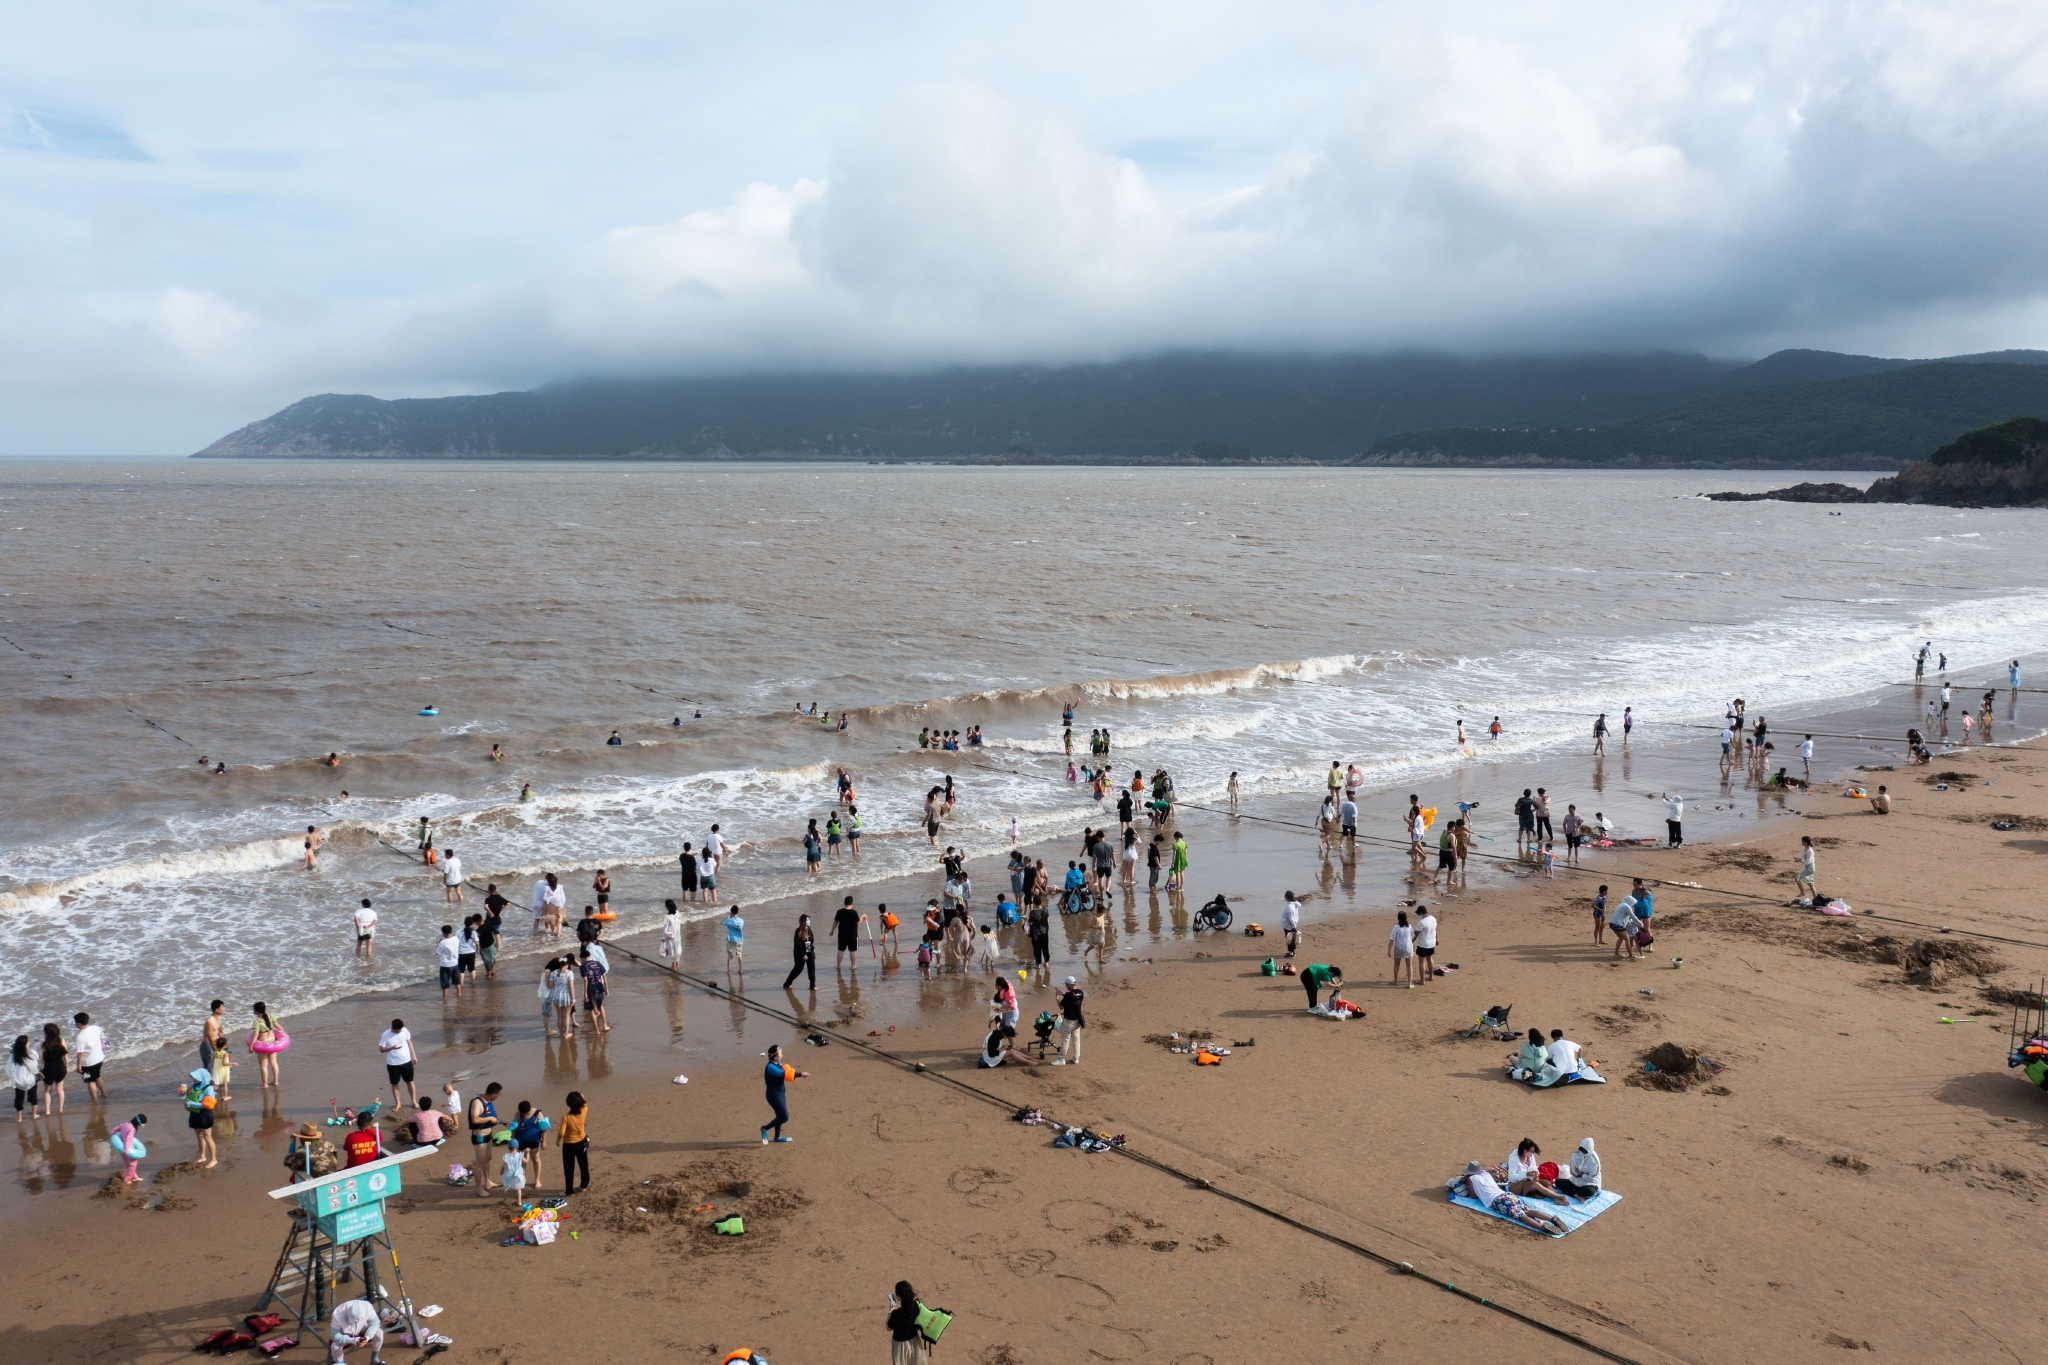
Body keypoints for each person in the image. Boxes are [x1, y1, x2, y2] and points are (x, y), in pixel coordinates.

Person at [1460, 1161, 1566, 1236]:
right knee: (1529, 1211)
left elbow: (1473, 1196)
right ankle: (1551, 1219)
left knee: (1521, 1216)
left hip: (1497, 1200)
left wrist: (1468, 1184)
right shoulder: (1486, 1174)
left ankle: (1541, 1227)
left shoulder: (1472, 1178)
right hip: (1507, 1195)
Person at [762, 1044, 805, 1143]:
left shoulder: (778, 1063)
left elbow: (787, 1071)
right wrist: (801, 1074)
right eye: (780, 1053)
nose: (782, 1055)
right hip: (773, 1095)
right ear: (776, 1056)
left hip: (781, 1093)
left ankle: (777, 1137)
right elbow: (785, 1075)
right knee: (784, 1117)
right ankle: (764, 1128)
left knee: (779, 1116)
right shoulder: (771, 1067)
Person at [467, 1082, 504, 1197]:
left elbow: (492, 1118)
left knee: (488, 1159)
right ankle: (478, 1188)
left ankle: (488, 1182)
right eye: (499, 1094)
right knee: (479, 1162)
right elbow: (475, 1119)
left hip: (488, 1135)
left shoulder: (489, 1102)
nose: (499, 1096)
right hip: (480, 1137)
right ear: (493, 1094)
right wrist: (490, 1118)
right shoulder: (477, 1102)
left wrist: (499, 1121)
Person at [325, 1297, 386, 1365]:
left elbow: (375, 1323)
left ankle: (375, 1359)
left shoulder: (368, 1308)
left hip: (362, 1330)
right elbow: (334, 1335)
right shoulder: (337, 1315)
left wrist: (368, 1336)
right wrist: (352, 1340)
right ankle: (340, 1363)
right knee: (335, 1346)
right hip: (345, 1335)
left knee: (379, 1332)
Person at [178, 1067, 218, 1168]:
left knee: (207, 1137)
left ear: (202, 1078)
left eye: (196, 1078)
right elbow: (186, 1097)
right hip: (194, 1114)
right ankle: (202, 1156)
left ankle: (213, 1159)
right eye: (193, 1078)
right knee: (199, 1137)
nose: (193, 1080)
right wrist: (183, 1095)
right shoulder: (192, 1086)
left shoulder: (208, 1088)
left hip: (205, 1114)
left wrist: (192, 1104)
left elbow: (207, 1105)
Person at [888, 1280, 931, 1365]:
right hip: (914, 1341)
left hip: (900, 1346)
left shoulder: (896, 1314)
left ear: (899, 1297)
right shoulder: (916, 1305)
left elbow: (888, 1327)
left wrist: (890, 1310)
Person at [379, 1018, 418, 1110]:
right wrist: (391, 1048)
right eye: (398, 1030)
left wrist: (414, 1056)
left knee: (410, 1081)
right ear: (393, 1028)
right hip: (393, 1063)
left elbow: (409, 1043)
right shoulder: (385, 1035)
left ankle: (414, 1101)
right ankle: (398, 1103)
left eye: (401, 1029)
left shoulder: (404, 1030)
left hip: (406, 1061)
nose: (400, 1031)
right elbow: (381, 1049)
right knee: (395, 1083)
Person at [559, 1090, 590, 1193]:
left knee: (569, 1168)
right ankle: (584, 1185)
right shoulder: (584, 1110)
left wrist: (558, 1140)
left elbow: (562, 1133)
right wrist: (583, 1098)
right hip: (582, 1141)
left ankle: (569, 1190)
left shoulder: (566, 1117)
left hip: (569, 1145)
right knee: (583, 1164)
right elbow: (585, 1104)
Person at [73, 1012, 107, 1103]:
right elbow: (103, 1038)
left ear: (79, 1024)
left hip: (87, 1063)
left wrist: (79, 1066)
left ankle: (94, 1099)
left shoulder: (80, 1037)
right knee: (97, 1076)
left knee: (90, 1081)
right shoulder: (96, 1028)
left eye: (75, 1023)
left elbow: (80, 1053)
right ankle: (104, 1093)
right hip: (99, 1058)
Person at [251, 1002, 284, 1088]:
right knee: (274, 1063)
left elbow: (255, 1035)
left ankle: (264, 1084)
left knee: (263, 1065)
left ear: (257, 1011)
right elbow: (279, 1028)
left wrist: (251, 1045)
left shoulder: (256, 1022)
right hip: (272, 1042)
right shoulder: (271, 1016)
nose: (253, 1010)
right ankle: (275, 1081)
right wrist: (282, 1037)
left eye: (253, 1009)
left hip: (263, 1045)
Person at [37, 1023, 67, 1116]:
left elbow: (40, 1060)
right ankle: (60, 1109)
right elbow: (65, 1055)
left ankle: (47, 1111)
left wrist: (39, 1070)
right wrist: (67, 1066)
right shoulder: (61, 1041)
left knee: (47, 1091)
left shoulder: (43, 1044)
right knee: (60, 1090)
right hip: (60, 1067)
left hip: (49, 1069)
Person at [1054, 977, 1085, 1065]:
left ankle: (1061, 1059)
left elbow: (1061, 1006)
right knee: (1076, 1039)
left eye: (1067, 984)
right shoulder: (1081, 992)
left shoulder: (1068, 995)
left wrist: (1057, 998)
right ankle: (1076, 1058)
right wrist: (1065, 995)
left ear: (1070, 985)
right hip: (1077, 1020)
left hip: (1068, 1021)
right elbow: (1073, 998)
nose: (1066, 986)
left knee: (1065, 1039)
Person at [579, 947, 611, 1032]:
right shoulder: (598, 963)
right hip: (600, 988)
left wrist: (585, 994)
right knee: (601, 1006)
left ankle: (596, 1030)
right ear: (589, 956)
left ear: (582, 958)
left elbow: (585, 979)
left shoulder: (583, 966)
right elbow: (604, 976)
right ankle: (605, 1026)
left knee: (591, 1009)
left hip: (591, 990)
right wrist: (606, 988)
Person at [783, 914, 817, 991]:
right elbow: (797, 944)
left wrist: (809, 952)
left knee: (811, 969)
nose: (808, 921)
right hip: (800, 953)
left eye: (809, 920)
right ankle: (787, 983)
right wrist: (803, 955)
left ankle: (812, 985)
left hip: (809, 950)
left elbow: (811, 941)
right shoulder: (798, 931)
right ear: (802, 922)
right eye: (806, 920)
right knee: (798, 969)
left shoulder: (809, 929)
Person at [7, 1036, 37, 1123]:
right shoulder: (30, 1053)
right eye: (28, 1042)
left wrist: (14, 1079)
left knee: (19, 1099)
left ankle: (19, 1118)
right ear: (25, 1044)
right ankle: (34, 1115)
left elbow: (10, 1068)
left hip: (19, 1081)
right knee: (33, 1096)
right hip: (30, 1079)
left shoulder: (13, 1055)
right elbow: (35, 1064)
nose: (29, 1043)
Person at [477, 896, 504, 980]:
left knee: (487, 961)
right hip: (492, 943)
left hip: (485, 946)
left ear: (476, 922)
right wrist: (499, 912)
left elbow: (476, 940)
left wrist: (477, 949)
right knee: (491, 959)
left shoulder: (479, 930)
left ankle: (489, 975)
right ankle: (491, 972)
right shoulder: (488, 922)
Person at [435, 925, 463, 1002]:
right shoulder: (456, 939)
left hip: (445, 965)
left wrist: (437, 944)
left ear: (443, 933)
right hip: (455, 963)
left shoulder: (443, 942)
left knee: (445, 983)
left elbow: (437, 952)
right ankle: (459, 994)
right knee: (457, 981)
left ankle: (444, 998)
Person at [1389, 910, 1416, 987]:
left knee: (1396, 965)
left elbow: (1392, 939)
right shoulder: (1409, 926)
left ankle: (1395, 981)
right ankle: (1409, 984)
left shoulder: (1396, 927)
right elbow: (1413, 936)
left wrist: (1389, 950)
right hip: (1407, 947)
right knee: (1409, 966)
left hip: (1398, 947)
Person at [1414, 905, 1438, 983]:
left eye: (1418, 914)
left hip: (1423, 945)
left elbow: (1416, 934)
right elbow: (1435, 930)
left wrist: (1410, 942)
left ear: (1422, 913)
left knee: (1421, 962)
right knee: (1429, 959)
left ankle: (1422, 980)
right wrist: (1437, 939)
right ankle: (1431, 976)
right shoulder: (1433, 919)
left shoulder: (1421, 922)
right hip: (1431, 944)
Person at [723, 906, 745, 974]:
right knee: (739, 954)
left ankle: (729, 970)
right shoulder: (741, 921)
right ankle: (740, 969)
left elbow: (722, 923)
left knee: (730, 956)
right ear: (737, 912)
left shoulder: (729, 921)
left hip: (731, 940)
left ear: (731, 912)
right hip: (739, 940)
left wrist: (727, 918)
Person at [1281, 891, 1302, 959]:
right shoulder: (1294, 904)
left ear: (1287, 897)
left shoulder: (1290, 907)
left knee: (1289, 939)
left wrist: (1293, 926)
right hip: (1292, 924)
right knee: (1292, 938)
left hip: (1289, 925)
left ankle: (1291, 953)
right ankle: (1292, 952)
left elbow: (1290, 917)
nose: (1284, 897)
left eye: (1285, 896)